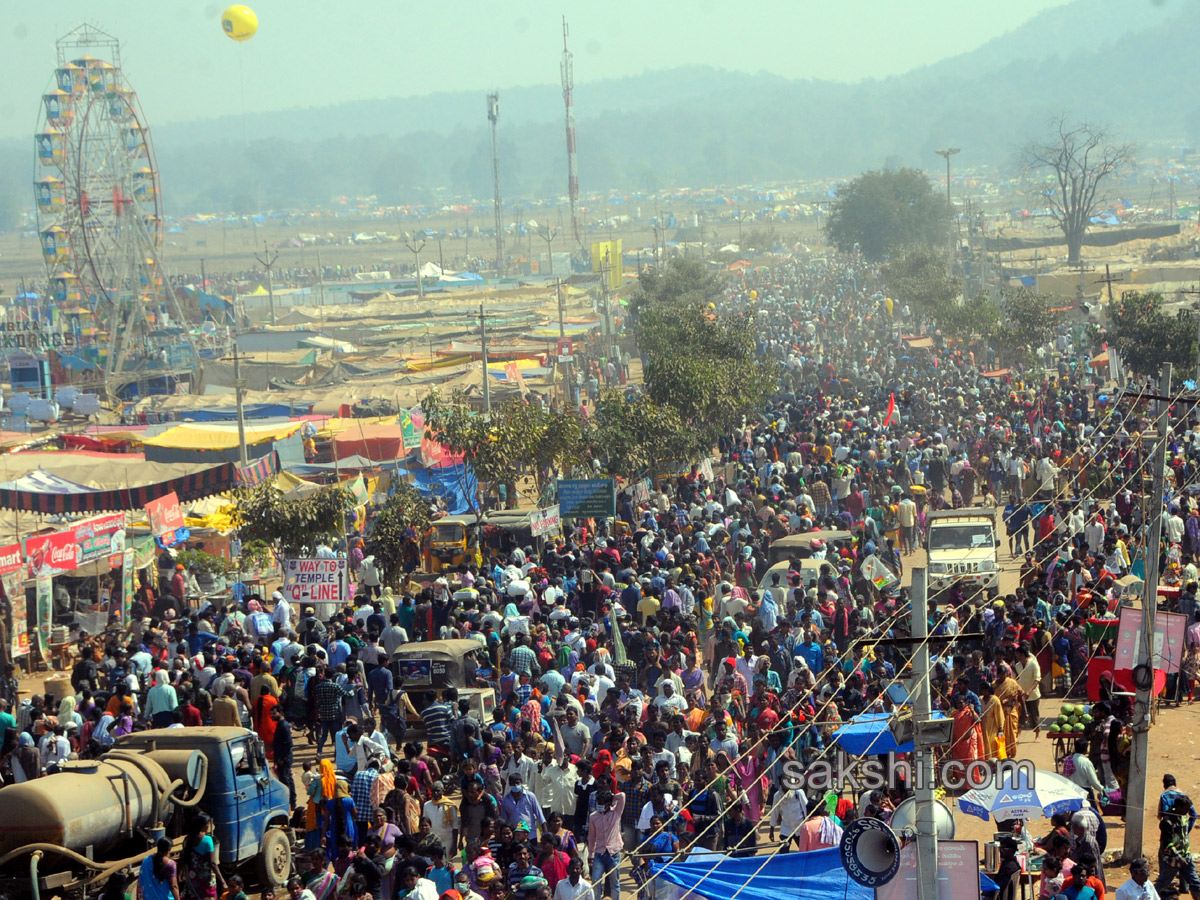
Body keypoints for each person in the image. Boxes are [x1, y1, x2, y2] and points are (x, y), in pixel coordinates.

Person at [1155, 774, 1200, 900]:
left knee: (1196, 883)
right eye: (1185, 809)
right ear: (1178, 807)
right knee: (1162, 884)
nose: (1187, 812)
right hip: (1172, 859)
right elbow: (1167, 842)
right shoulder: (1167, 822)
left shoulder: (1183, 817)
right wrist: (1178, 857)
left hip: (1185, 855)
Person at [181, 812, 225, 900]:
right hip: (205, 881)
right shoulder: (207, 840)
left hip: (192, 879)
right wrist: (222, 881)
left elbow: (184, 858)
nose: (209, 825)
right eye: (208, 823)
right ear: (203, 826)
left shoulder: (187, 839)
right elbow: (213, 863)